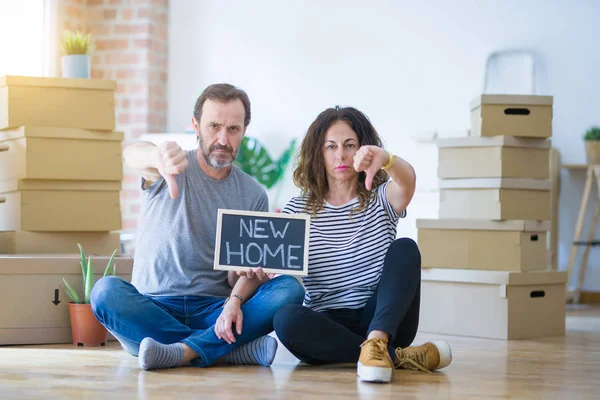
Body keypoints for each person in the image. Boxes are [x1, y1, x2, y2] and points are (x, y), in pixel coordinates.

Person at [90, 83, 305, 371]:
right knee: (105, 292)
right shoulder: (169, 167)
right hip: (153, 307)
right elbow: (132, 153)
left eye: (233, 129)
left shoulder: (253, 194)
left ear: (244, 129)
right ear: (196, 125)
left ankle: (179, 350)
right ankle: (223, 351)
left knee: (289, 289)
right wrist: (157, 157)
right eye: (213, 126)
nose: (222, 139)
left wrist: (236, 296)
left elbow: (236, 277)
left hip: (215, 311)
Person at [273, 106, 452, 384]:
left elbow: (407, 183)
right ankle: (395, 356)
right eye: (330, 147)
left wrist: (388, 160)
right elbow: (282, 271)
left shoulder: (380, 197)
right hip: (326, 325)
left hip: (383, 318)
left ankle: (378, 342)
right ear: (318, 154)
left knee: (405, 247)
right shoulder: (297, 209)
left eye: (349, 145)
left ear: (362, 150)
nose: (340, 155)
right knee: (285, 318)